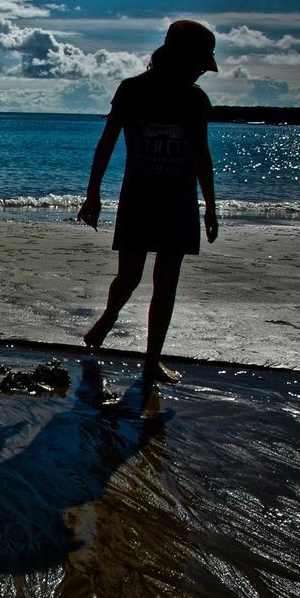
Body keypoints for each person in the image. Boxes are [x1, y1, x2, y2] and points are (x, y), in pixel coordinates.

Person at [76, 20, 220, 383]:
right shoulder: (133, 90)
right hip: (139, 197)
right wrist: (93, 193)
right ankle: (109, 316)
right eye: (198, 65)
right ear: (176, 58)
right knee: (129, 276)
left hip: (179, 201)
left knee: (167, 281)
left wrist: (211, 207)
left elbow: (202, 156)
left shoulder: (196, 100)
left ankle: (151, 359)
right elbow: (106, 143)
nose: (201, 73)